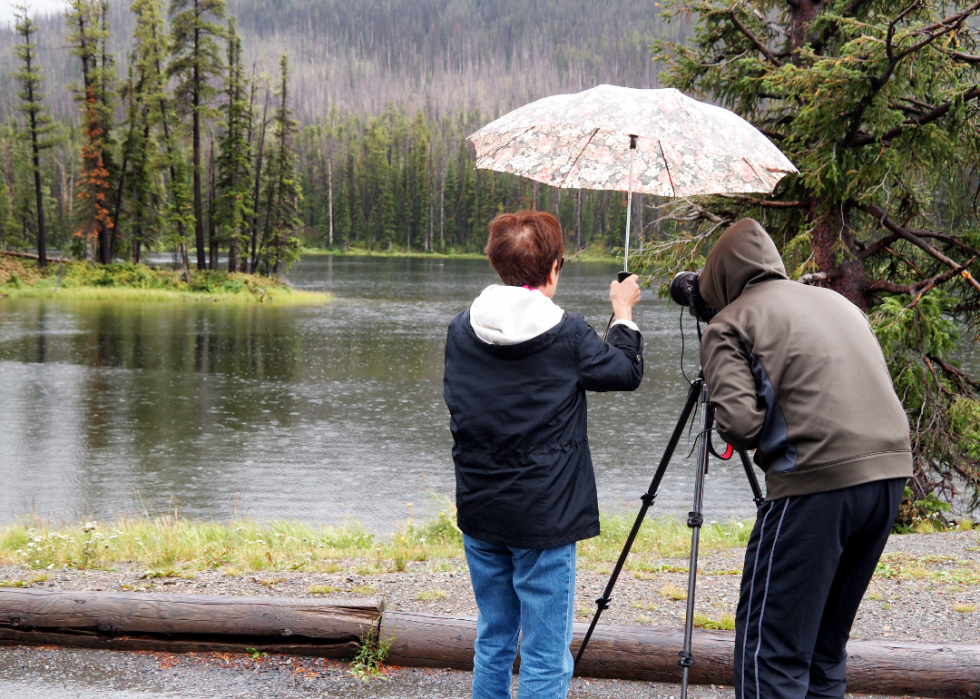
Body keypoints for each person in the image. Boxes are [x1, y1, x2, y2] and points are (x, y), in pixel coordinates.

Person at [697, 219, 914, 699]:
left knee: (770, 651)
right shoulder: (838, 302)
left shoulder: (728, 324)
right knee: (822, 651)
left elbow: (741, 426)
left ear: (721, 278)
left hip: (815, 483)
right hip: (890, 474)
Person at [443, 210, 643, 699]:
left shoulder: (461, 329)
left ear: (495, 262)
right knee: (546, 650)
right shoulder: (568, 335)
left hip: (480, 508)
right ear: (554, 268)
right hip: (544, 519)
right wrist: (623, 315)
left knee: (494, 634)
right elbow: (623, 373)